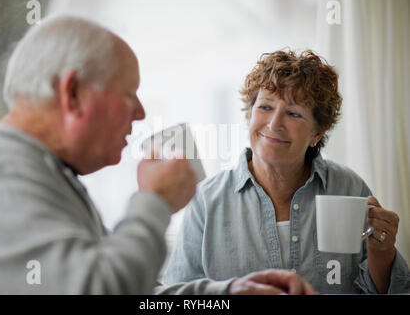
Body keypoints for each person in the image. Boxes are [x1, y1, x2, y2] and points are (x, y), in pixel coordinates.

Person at [0, 15, 316, 295]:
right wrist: (153, 202)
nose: (141, 112)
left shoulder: (40, 174)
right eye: (128, 93)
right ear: (73, 94)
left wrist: (226, 293)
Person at [163, 49, 410, 294]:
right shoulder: (207, 200)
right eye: (265, 107)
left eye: (293, 113)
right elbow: (179, 294)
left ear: (317, 133)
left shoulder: (349, 187)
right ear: (249, 114)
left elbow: (390, 291)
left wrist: (382, 252)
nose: (274, 124)